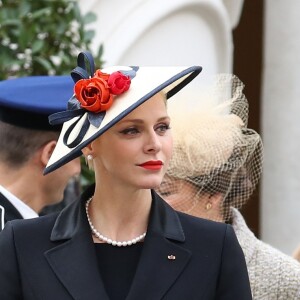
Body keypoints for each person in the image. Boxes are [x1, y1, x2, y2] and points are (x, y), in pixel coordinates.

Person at [0, 51, 252, 299]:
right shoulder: (22, 244)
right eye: (132, 130)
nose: (154, 143)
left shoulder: (215, 246)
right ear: (89, 144)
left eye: (162, 127)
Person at [157, 74, 300, 299]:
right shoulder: (143, 256)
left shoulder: (285, 278)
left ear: (213, 196)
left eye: (165, 191)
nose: (151, 200)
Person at [0, 75, 81, 230]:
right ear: (50, 154)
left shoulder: (18, 228)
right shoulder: (10, 237)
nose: (77, 170)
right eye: (77, 155)